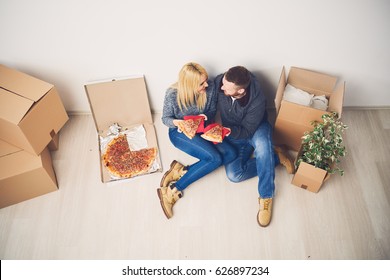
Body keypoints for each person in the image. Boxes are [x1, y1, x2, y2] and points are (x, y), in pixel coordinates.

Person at [214, 66, 294, 227]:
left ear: (241, 91)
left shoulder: (257, 100)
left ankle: (266, 197)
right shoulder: (222, 81)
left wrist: (228, 131)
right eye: (223, 83)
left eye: (226, 88)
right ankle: (277, 157)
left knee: (263, 149)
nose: (221, 88)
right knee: (234, 175)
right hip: (234, 133)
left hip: (255, 129)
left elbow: (248, 131)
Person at [158, 62, 236, 219]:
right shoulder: (172, 94)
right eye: (201, 83)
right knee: (214, 159)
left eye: (206, 80)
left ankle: (181, 171)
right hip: (180, 133)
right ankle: (172, 190)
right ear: (190, 84)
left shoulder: (211, 88)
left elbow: (212, 111)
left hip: (204, 128)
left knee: (231, 153)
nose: (207, 84)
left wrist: (204, 118)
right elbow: (165, 118)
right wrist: (177, 122)